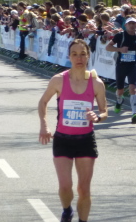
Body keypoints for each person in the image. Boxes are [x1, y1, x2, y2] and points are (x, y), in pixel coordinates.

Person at [38, 39, 108, 222]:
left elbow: (104, 111)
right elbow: (43, 102)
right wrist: (44, 125)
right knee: (65, 186)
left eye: (83, 54)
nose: (79, 58)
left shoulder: (96, 83)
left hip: (85, 140)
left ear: (88, 56)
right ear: (69, 57)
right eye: (75, 54)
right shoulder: (58, 80)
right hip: (63, 139)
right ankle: (67, 209)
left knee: (84, 189)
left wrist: (97, 117)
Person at [106, 17, 136, 124]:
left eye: (133, 23)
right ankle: (119, 101)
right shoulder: (120, 35)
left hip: (132, 65)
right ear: (126, 25)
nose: (132, 25)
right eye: (129, 23)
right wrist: (120, 49)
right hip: (121, 65)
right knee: (120, 91)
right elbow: (108, 47)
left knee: (133, 88)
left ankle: (134, 113)